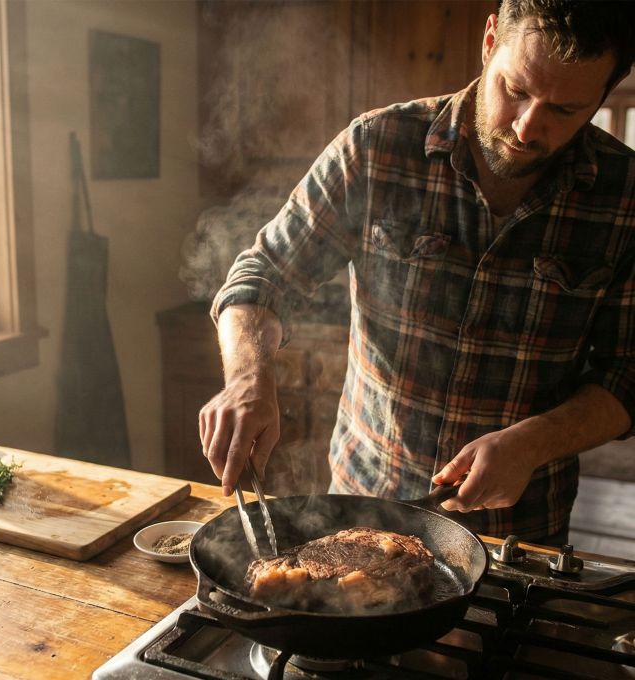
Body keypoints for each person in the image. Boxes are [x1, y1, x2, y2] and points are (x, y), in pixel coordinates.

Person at [198, 0, 635, 546]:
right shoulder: (377, 147)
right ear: (490, 39)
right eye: (516, 90)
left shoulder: (625, 198)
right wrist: (247, 378)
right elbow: (263, 277)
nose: (527, 128)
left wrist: (533, 442)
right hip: (364, 511)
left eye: (565, 110)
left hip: (517, 534)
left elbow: (627, 375)